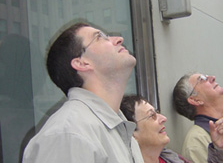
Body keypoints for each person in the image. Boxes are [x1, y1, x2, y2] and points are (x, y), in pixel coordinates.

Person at [22, 22, 143, 163]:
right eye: (99, 37)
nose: (118, 39)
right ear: (82, 63)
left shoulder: (121, 133)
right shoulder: (69, 135)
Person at [120, 95, 223, 163]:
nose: (163, 118)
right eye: (152, 116)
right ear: (132, 133)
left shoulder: (174, 159)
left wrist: (221, 149)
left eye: (157, 112)